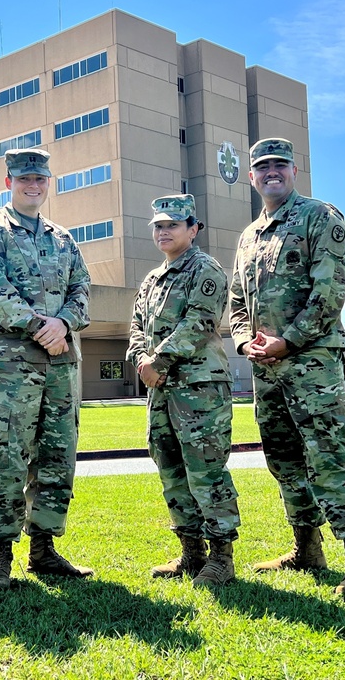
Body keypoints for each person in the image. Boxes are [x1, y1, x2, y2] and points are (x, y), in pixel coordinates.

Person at [230, 137, 345, 597]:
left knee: (329, 460)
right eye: (262, 167)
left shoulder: (319, 217)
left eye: (280, 165)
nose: (271, 172)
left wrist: (287, 341)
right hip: (267, 373)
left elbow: (330, 291)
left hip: (311, 367)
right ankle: (307, 548)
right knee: (284, 462)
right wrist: (243, 341)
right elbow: (237, 301)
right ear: (252, 177)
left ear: (294, 171)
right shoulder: (248, 236)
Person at [0, 147, 92, 593]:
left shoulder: (63, 238)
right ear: (9, 183)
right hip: (10, 367)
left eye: (40, 180)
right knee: (5, 456)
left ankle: (44, 548)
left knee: (57, 456)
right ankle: (0, 557)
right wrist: (42, 326)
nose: (33, 186)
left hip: (62, 364)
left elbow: (82, 288)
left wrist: (64, 324)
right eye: (24, 180)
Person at [127, 194, 241, 586]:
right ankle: (191, 552)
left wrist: (156, 362)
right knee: (171, 468)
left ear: (193, 230)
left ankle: (221, 556)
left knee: (205, 470)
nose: (163, 231)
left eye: (173, 225)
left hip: (199, 387)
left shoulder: (204, 269)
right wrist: (141, 358)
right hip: (160, 389)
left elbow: (199, 323)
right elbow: (136, 327)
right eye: (158, 225)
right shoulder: (152, 279)